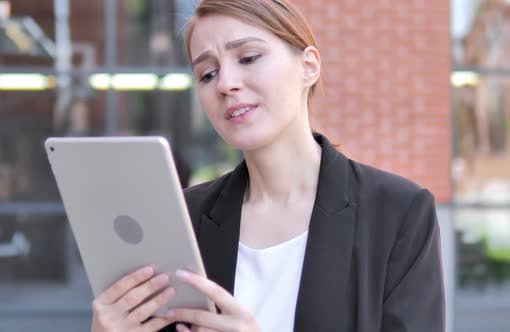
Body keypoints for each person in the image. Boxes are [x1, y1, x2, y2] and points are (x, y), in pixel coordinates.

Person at [91, 0, 445, 331]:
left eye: (248, 57)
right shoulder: (183, 217)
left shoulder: (399, 212)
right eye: (208, 74)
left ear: (308, 67)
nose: (227, 84)